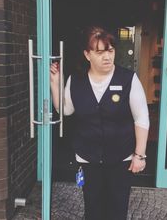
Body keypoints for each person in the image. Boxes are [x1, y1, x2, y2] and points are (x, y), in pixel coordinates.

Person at [50, 26, 149, 220]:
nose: (107, 57)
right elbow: (66, 110)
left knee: (117, 208)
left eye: (110, 51)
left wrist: (140, 155)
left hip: (121, 158)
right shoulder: (76, 81)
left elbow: (142, 118)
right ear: (87, 55)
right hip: (88, 157)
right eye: (100, 52)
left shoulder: (129, 79)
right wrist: (55, 84)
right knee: (93, 208)